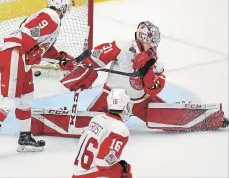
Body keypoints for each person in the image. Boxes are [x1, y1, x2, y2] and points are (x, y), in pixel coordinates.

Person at [60, 21, 228, 133]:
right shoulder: (121, 47)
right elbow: (93, 59)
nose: (154, 44)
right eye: (151, 40)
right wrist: (78, 67)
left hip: (141, 102)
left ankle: (215, 118)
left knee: (174, 118)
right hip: (111, 99)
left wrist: (147, 71)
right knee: (89, 126)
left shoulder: (154, 60)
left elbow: (153, 88)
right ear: (141, 38)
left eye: (155, 41)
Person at [0, 0, 77, 156]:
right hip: (16, 54)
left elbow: (43, 46)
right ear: (63, 7)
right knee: (12, 99)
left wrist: (60, 58)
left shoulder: (49, 18)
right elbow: (29, 34)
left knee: (26, 98)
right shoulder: (51, 16)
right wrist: (29, 50)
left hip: (23, 58)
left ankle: (25, 137)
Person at [72, 89, 132, 178]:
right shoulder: (120, 129)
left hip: (77, 173)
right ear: (125, 106)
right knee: (124, 170)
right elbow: (104, 163)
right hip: (90, 175)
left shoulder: (96, 119)